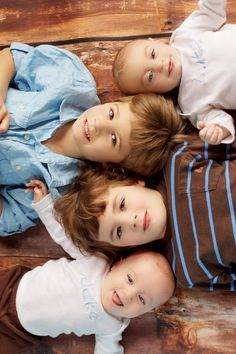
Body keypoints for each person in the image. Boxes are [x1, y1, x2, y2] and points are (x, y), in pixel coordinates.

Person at [0, 44, 172, 235]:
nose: (99, 125)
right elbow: (12, 57)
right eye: (112, 113)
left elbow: (8, 215)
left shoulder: (60, 189)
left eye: (114, 139)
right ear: (113, 102)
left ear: (112, 164)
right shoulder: (71, 82)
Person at [53, 123, 236, 291]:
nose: (129, 221)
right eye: (118, 232)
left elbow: (228, 141)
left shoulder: (178, 158)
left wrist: (219, 129)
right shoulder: (187, 272)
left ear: (134, 181)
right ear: (125, 247)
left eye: (122, 204)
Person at [0, 180, 175, 354]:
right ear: (117, 265)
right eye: (129, 279)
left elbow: (108, 349)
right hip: (12, 286)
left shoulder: (112, 325)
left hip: (18, 332)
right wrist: (45, 205)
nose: (128, 294)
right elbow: (64, 237)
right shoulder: (95, 261)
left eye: (142, 300)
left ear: (144, 313)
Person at [113, 0, 236, 145]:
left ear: (155, 42)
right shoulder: (190, 104)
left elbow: (211, 12)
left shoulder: (185, 34)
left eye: (153, 54)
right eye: (150, 76)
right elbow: (219, 119)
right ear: (156, 93)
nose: (159, 64)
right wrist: (218, 130)